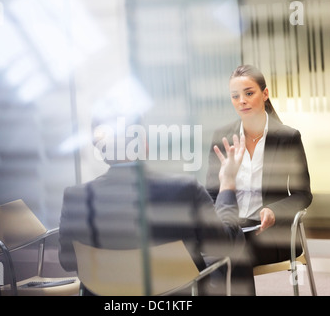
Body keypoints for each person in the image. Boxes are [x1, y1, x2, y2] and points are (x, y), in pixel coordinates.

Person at [58, 115, 251, 295]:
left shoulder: (75, 197)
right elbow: (223, 243)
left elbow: (67, 260)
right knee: (236, 239)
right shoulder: (184, 189)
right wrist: (227, 183)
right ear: (143, 144)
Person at [206, 64, 313, 293]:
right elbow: (212, 193)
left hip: (270, 235)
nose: (241, 101)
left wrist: (274, 211)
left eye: (248, 93)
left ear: (264, 94)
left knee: (227, 253)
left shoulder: (287, 137)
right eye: (235, 96)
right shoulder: (222, 137)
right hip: (231, 229)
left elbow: (302, 194)